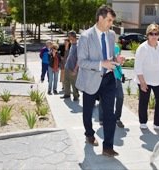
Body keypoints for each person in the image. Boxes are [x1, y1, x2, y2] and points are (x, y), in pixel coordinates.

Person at [76, 5, 123, 157]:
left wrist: (116, 60)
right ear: (100, 18)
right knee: (88, 111)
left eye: (112, 21)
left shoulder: (110, 35)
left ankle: (108, 146)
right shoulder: (85, 36)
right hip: (91, 80)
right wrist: (101, 63)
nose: (111, 24)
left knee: (110, 113)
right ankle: (89, 133)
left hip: (109, 79)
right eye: (109, 20)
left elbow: (109, 58)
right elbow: (82, 62)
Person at [134, 23, 159, 132]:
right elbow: (137, 67)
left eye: (156, 33)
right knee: (144, 101)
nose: (154, 36)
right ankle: (143, 122)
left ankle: (158, 123)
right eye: (151, 33)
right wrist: (142, 83)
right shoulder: (142, 48)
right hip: (145, 79)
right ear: (147, 35)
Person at [98, 43, 125, 128]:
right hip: (105, 76)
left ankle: (117, 118)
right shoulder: (101, 45)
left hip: (116, 76)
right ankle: (102, 118)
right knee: (104, 98)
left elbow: (118, 62)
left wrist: (122, 72)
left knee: (120, 97)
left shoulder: (116, 46)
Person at [61, 31, 79, 101]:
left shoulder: (78, 46)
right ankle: (67, 94)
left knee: (74, 83)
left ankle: (76, 96)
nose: (68, 37)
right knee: (66, 81)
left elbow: (79, 59)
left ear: (72, 36)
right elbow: (68, 55)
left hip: (73, 68)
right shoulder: (72, 45)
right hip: (67, 67)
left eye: (69, 36)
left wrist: (75, 69)